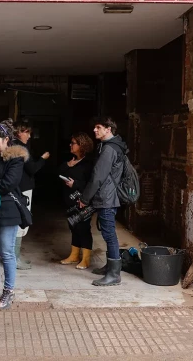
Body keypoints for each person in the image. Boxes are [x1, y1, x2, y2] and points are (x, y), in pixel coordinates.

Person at [79, 117, 128, 286]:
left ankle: (114, 275)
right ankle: (110, 266)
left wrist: (85, 199)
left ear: (108, 129)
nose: (94, 130)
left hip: (107, 197)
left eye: (98, 127)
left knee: (109, 235)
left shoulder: (109, 150)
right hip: (108, 196)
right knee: (108, 234)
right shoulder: (112, 146)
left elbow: (98, 177)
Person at [0, 119, 29, 310]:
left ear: (6, 140)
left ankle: (9, 290)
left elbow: (7, 185)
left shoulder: (16, 159)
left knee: (7, 252)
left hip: (9, 211)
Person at [13, 119, 50, 270]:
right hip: (23, 189)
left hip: (17, 188)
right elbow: (32, 169)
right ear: (18, 132)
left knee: (17, 221)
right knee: (21, 222)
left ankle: (15, 256)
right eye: (26, 132)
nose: (29, 135)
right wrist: (43, 159)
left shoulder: (12, 145)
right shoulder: (21, 148)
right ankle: (15, 259)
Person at [59, 132, 94, 269]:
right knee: (73, 226)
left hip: (83, 200)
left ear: (82, 145)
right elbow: (60, 170)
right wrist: (69, 164)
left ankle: (86, 259)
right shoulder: (72, 160)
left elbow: (92, 183)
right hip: (70, 201)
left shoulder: (88, 163)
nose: (70, 145)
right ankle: (74, 255)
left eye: (73, 143)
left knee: (83, 228)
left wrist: (76, 184)